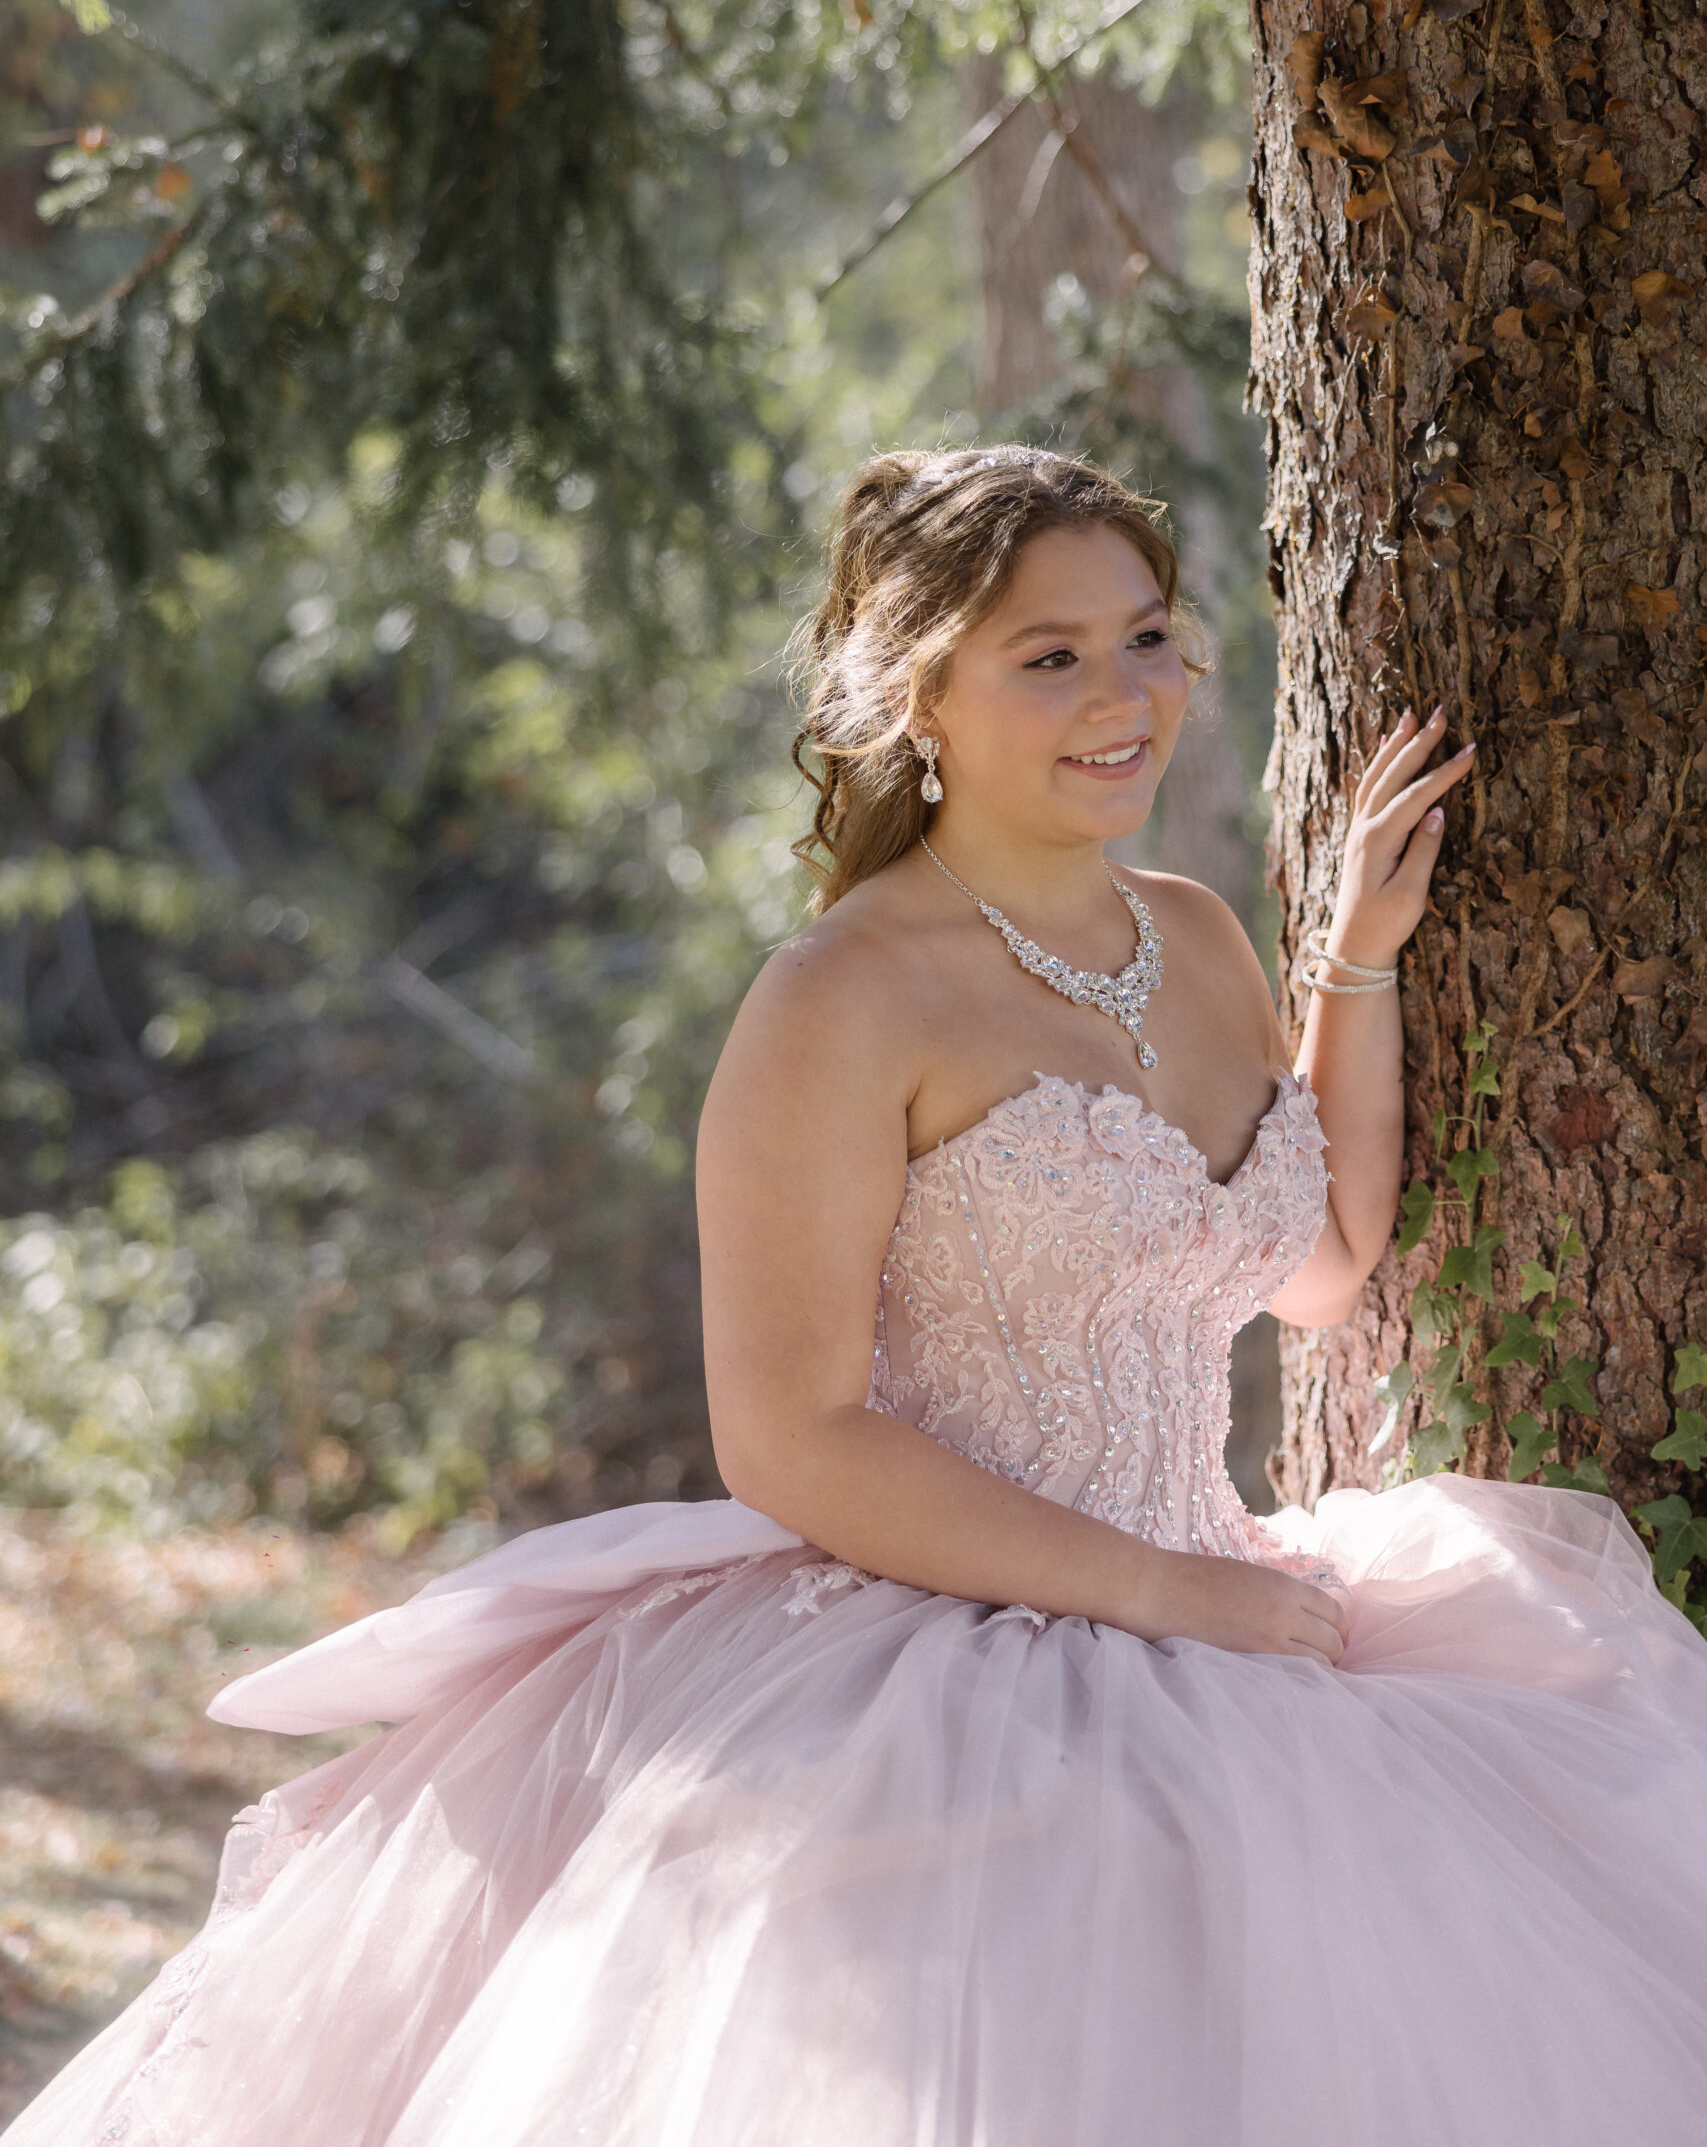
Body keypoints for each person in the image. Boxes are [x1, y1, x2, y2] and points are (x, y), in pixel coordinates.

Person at [14, 447, 1707, 2147]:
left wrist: (1355, 957)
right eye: (1049, 656)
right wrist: (1159, 1596)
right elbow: (790, 1435)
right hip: (944, 1660)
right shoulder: (840, 997)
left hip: (1237, 1592)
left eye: (1146, 638)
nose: (1123, 697)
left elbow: (1325, 1270)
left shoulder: (1196, 937)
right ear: (920, 695)